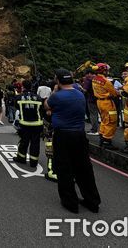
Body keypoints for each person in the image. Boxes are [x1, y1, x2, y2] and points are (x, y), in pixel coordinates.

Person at [45, 69, 101, 214]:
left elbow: (47, 106)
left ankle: (71, 202)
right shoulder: (80, 94)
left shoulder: (56, 96)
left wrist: (54, 91)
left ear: (57, 80)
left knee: (64, 168)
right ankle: (92, 201)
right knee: (84, 168)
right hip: (80, 135)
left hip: (63, 135)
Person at [13, 79, 44, 167]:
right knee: (35, 143)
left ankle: (21, 158)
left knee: (24, 142)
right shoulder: (38, 97)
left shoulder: (19, 97)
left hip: (25, 124)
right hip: (37, 124)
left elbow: (16, 107)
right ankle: (33, 162)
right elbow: (42, 109)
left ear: (23, 87)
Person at [91, 63, 120, 150]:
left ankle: (102, 137)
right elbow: (114, 93)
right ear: (103, 71)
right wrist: (119, 92)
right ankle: (107, 140)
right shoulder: (106, 81)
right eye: (106, 70)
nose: (107, 72)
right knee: (111, 121)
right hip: (107, 102)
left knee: (104, 120)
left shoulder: (95, 79)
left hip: (99, 102)